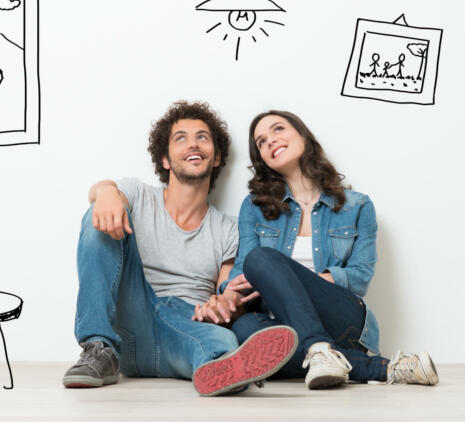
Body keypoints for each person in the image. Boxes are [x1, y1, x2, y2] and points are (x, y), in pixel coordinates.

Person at [63, 101, 298, 396]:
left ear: (216, 158)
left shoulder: (229, 229)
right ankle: (97, 347)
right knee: (100, 216)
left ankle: (224, 367)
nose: (193, 144)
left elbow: (227, 290)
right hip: (129, 321)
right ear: (164, 159)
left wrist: (225, 303)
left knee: (219, 341)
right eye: (181, 138)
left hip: (185, 329)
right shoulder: (138, 194)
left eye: (202, 137)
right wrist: (106, 192)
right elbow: (102, 194)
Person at [193, 110, 438, 390]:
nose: (270, 141)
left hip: (342, 318)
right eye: (261, 141)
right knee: (246, 330)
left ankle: (320, 345)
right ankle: (379, 366)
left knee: (262, 259)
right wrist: (226, 296)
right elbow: (242, 273)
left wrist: (286, 280)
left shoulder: (357, 206)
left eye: (278, 130)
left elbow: (359, 277)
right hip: (280, 325)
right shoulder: (255, 207)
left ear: (303, 136)